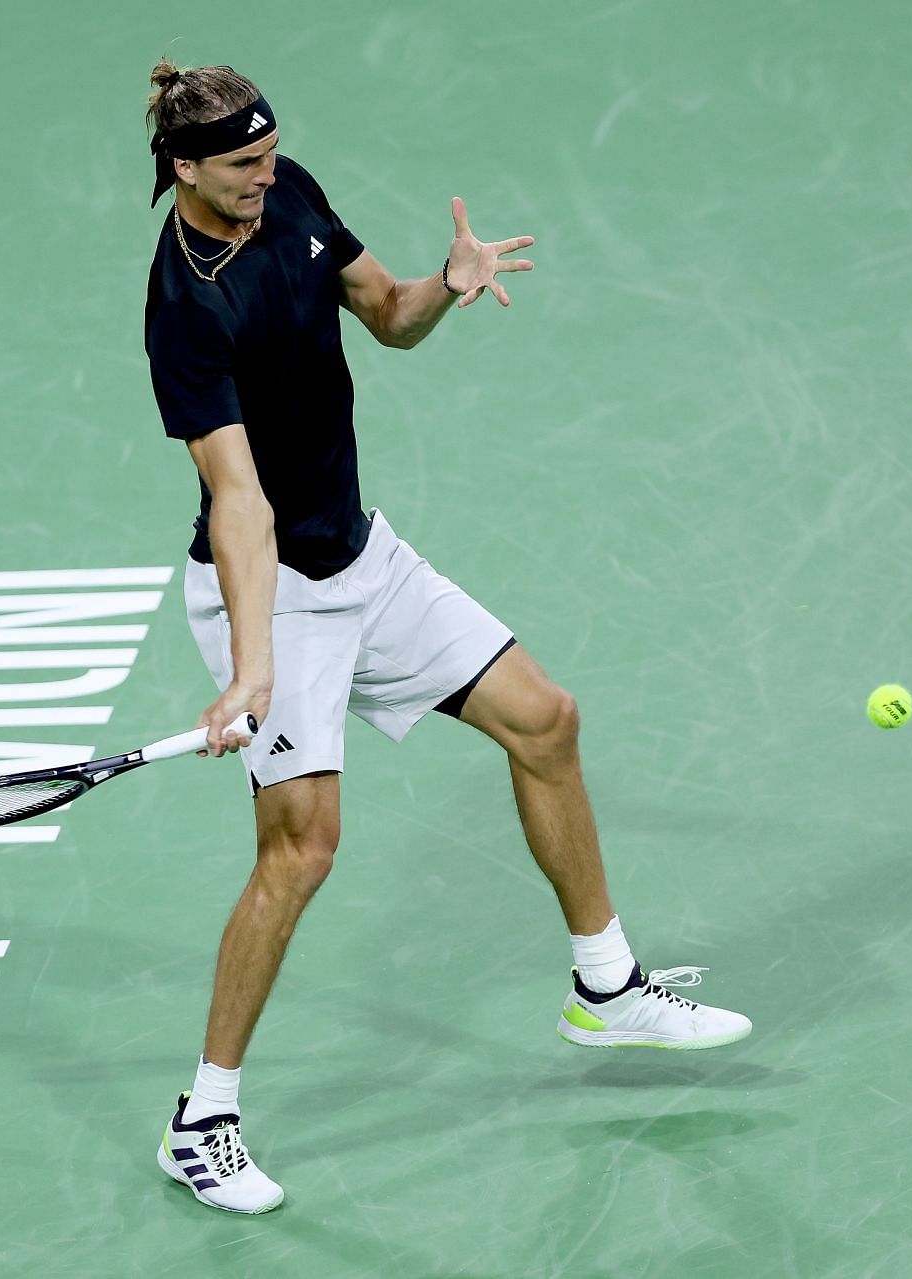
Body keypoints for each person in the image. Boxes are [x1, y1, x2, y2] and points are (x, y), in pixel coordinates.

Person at [141, 59, 750, 1215]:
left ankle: (605, 985)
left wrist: (446, 285)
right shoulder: (184, 307)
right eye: (240, 167)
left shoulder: (293, 193)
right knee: (302, 849)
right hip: (265, 586)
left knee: (545, 720)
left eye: (271, 156)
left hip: (361, 556)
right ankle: (202, 1119)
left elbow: (386, 318)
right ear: (182, 169)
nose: (266, 179)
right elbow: (239, 502)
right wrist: (258, 659)